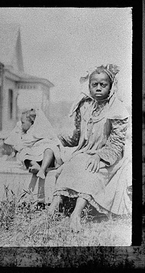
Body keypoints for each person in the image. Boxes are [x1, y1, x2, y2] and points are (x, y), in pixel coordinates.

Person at [49, 64, 131, 232]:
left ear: (110, 86)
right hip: (86, 152)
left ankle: (76, 214)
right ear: (89, 86)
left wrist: (100, 156)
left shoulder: (117, 109)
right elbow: (80, 136)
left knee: (91, 171)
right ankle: (53, 207)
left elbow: (116, 143)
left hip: (109, 157)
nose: (99, 88)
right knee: (73, 163)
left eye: (103, 84)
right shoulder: (86, 106)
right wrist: (60, 138)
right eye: (95, 84)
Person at [4, 108, 62, 179]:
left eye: (23, 123)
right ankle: (35, 165)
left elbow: (48, 139)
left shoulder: (38, 131)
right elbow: (20, 143)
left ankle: (42, 170)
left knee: (49, 149)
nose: (21, 125)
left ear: (31, 123)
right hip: (34, 156)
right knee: (23, 154)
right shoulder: (24, 132)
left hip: (45, 158)